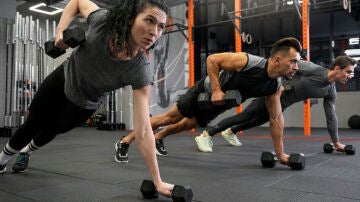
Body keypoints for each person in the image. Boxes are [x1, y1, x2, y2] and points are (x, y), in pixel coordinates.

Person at [0, 0, 175, 197]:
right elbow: (76, 2)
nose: (154, 32)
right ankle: (2, 159)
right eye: (149, 20)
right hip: (64, 77)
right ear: (130, 19)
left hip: (85, 102)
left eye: (160, 26)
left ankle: (26, 152)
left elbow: (143, 130)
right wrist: (60, 30)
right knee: (32, 123)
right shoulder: (102, 22)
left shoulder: (140, 71)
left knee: (52, 129)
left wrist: (158, 181)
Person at [115, 37, 302, 166]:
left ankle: (158, 138)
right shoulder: (248, 61)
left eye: (297, 62)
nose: (296, 67)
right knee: (169, 118)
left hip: (220, 104)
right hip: (204, 92)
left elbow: (276, 119)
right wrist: (217, 89)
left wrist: (280, 154)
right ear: (277, 60)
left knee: (187, 125)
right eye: (293, 61)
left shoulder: (274, 87)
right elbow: (213, 60)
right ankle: (125, 141)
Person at [196, 55, 356, 152]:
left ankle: (230, 132)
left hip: (283, 104)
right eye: (348, 71)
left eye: (352, 73)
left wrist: (336, 142)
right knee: (245, 116)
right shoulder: (313, 69)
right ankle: (205, 135)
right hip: (272, 94)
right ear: (337, 68)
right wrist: (281, 85)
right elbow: (282, 66)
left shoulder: (330, 90)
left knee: (258, 121)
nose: (350, 76)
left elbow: (331, 116)